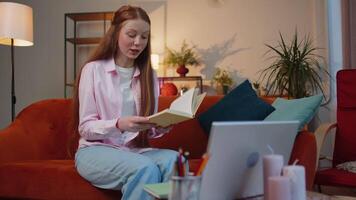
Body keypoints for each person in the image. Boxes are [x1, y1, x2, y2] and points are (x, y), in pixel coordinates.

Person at [72, 5, 178, 200]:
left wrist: (160, 126)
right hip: (95, 151)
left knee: (174, 160)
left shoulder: (149, 75)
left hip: (133, 150)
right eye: (131, 34)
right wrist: (119, 124)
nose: (138, 42)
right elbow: (85, 128)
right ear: (116, 33)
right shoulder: (93, 70)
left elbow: (146, 126)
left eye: (144, 37)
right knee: (145, 168)